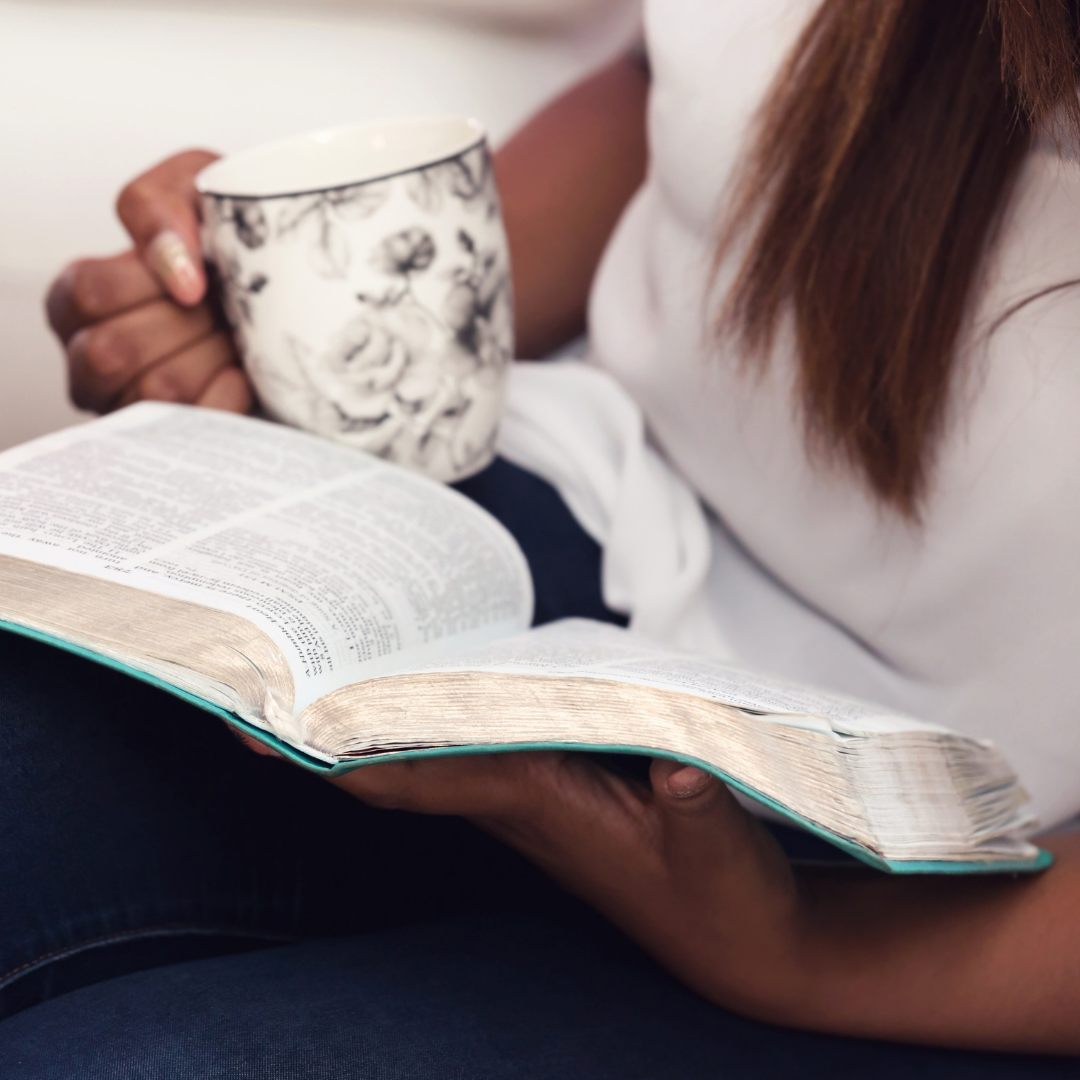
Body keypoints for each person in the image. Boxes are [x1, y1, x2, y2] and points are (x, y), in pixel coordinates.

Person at [3, 0, 1080, 1073]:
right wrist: (354, 302)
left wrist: (800, 956)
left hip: (965, 872)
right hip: (609, 518)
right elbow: (680, 73)